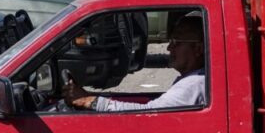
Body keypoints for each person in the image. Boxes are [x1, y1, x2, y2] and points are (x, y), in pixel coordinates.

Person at [63, 15, 206, 111]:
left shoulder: (194, 85)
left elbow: (150, 113)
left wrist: (90, 101)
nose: (169, 48)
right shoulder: (197, 79)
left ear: (198, 48)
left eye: (176, 42)